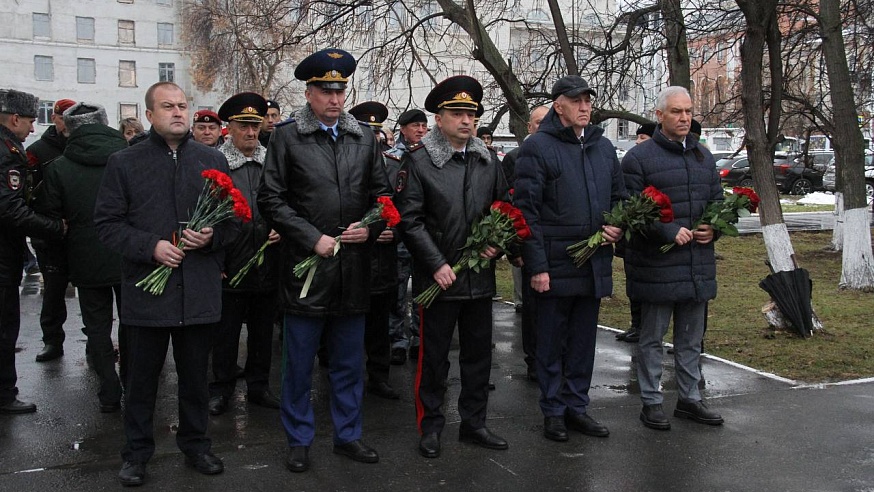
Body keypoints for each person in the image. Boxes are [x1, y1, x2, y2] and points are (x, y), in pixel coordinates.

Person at [95, 81, 239, 486]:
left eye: (182, 105)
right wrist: (150, 247)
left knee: (196, 379)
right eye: (168, 106)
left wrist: (211, 237)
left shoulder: (212, 159)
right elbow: (106, 226)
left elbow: (235, 222)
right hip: (147, 293)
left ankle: (197, 445)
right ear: (150, 115)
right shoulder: (124, 163)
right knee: (140, 382)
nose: (178, 112)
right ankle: (137, 453)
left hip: (198, 291)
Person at [257, 48, 391, 473]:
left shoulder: (363, 138)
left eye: (340, 90)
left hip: (352, 269)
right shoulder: (286, 136)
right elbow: (270, 199)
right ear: (309, 92)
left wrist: (368, 229)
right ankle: (299, 438)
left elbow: (382, 196)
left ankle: (348, 435)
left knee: (349, 363)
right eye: (324, 91)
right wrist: (310, 237)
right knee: (298, 363)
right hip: (306, 270)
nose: (334, 99)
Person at [395, 75, 510, 459]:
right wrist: (436, 263)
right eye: (457, 113)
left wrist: (499, 241)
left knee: (479, 356)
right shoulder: (419, 161)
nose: (466, 121)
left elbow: (503, 208)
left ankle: (474, 423)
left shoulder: (487, 159)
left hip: (479, 278)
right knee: (434, 359)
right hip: (439, 281)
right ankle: (430, 426)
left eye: (471, 114)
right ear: (439, 118)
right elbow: (409, 221)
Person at [514, 76, 626, 443]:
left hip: (593, 261)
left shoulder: (602, 147)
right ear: (558, 105)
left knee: (582, 341)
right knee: (550, 341)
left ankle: (577, 406)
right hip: (555, 262)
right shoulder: (538, 148)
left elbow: (618, 197)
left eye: (587, 101)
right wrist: (538, 267)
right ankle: (553, 410)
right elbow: (526, 213)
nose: (584, 107)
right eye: (576, 101)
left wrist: (616, 226)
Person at [621, 86, 724, 431]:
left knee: (691, 338)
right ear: (659, 115)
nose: (684, 118)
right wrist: (666, 231)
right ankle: (651, 401)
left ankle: (690, 398)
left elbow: (716, 202)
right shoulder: (639, 159)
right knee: (652, 338)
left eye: (688, 111)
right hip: (657, 265)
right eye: (677, 112)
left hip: (696, 262)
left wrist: (714, 228)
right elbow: (630, 211)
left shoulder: (703, 156)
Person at [35, 102, 128, 413]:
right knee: (133, 322)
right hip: (130, 253)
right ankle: (134, 378)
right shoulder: (128, 158)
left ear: (70, 129)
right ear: (104, 123)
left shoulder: (59, 167)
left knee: (97, 326)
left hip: (85, 256)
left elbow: (51, 215)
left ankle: (108, 388)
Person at [208, 92, 281, 416]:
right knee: (225, 333)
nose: (251, 132)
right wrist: (215, 258)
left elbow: (285, 203)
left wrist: (284, 227)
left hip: (267, 262)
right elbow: (205, 214)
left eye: (255, 125)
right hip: (229, 264)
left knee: (263, 332)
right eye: (244, 126)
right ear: (230, 127)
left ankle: (258, 386)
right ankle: (221, 388)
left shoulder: (273, 163)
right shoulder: (216, 163)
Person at [0, 89, 66, 414]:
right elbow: (11, 211)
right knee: (4, 325)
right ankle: (4, 395)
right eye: (28, 121)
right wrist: (55, 227)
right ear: (14, 119)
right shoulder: (9, 152)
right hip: (2, 254)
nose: (31, 128)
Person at [349, 101, 401, 400]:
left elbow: (407, 208)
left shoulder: (395, 167)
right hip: (355, 257)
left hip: (384, 260)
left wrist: (393, 231)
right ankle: (347, 374)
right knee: (350, 325)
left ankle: (379, 375)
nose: (374, 137)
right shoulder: (347, 165)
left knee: (380, 323)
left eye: (376, 131)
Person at [498, 105, 549, 382]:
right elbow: (510, 205)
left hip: (553, 242)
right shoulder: (516, 157)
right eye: (537, 122)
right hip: (528, 241)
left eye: (547, 121)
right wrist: (514, 248)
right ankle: (533, 361)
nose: (542, 126)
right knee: (532, 308)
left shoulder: (558, 152)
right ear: (529, 126)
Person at [25, 97, 76, 363]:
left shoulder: (84, 147)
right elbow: (27, 194)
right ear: (54, 118)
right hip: (51, 232)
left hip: (81, 233)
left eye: (72, 116)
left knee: (93, 293)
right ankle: (52, 340)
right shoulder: (37, 150)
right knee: (54, 291)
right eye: (62, 116)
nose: (67, 122)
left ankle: (96, 342)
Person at [385, 108, 428, 365]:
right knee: (397, 292)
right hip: (399, 236)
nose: (420, 130)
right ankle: (398, 340)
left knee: (423, 292)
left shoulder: (430, 157)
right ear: (403, 129)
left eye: (424, 126)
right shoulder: (392, 159)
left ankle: (419, 339)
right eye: (415, 126)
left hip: (422, 236)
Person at [615, 121, 656, 344]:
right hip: (631, 238)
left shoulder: (654, 162)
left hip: (649, 237)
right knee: (633, 282)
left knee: (646, 284)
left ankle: (645, 328)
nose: (638, 141)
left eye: (644, 138)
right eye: (638, 137)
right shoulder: (630, 162)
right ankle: (636, 325)